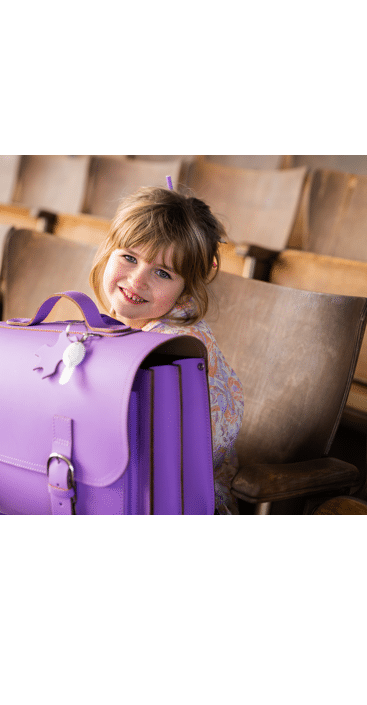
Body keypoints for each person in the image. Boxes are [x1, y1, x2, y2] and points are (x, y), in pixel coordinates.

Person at [89, 185, 244, 514]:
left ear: (187, 289)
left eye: (162, 273)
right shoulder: (128, 322)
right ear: (108, 252)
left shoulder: (172, 350)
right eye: (129, 257)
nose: (137, 280)